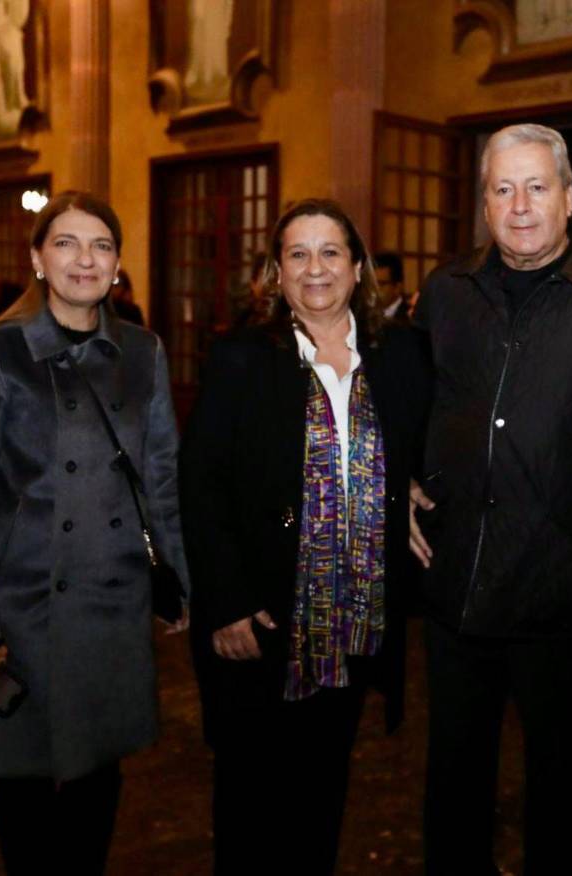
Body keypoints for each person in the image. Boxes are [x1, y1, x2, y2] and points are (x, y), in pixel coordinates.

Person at [410, 123, 572, 875]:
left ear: (566, 198)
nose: (519, 205)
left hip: (559, 594)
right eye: (502, 188)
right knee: (454, 775)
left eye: (536, 187)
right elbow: (415, 405)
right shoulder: (448, 293)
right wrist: (409, 490)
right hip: (456, 581)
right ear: (484, 203)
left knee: (556, 782)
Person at [0, 190, 189, 875]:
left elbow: (161, 475)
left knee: (100, 780)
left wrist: (180, 581)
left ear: (118, 263)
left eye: (100, 245)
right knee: (27, 790)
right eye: (65, 243)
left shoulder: (141, 350)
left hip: (111, 599)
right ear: (38, 258)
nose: (83, 259)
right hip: (24, 603)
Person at [180, 198, 430, 875]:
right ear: (276, 272)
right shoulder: (241, 357)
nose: (315, 268)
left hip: (351, 616)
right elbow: (200, 485)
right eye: (298, 254)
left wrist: (404, 486)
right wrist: (226, 599)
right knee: (248, 801)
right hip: (260, 617)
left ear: (357, 268)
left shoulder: (398, 354)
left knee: (323, 792)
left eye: (330, 253)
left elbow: (431, 442)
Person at [372, 250, 411, 323]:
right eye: (371, 284)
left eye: (380, 284)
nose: (374, 290)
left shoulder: (410, 318)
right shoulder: (362, 316)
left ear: (397, 287)